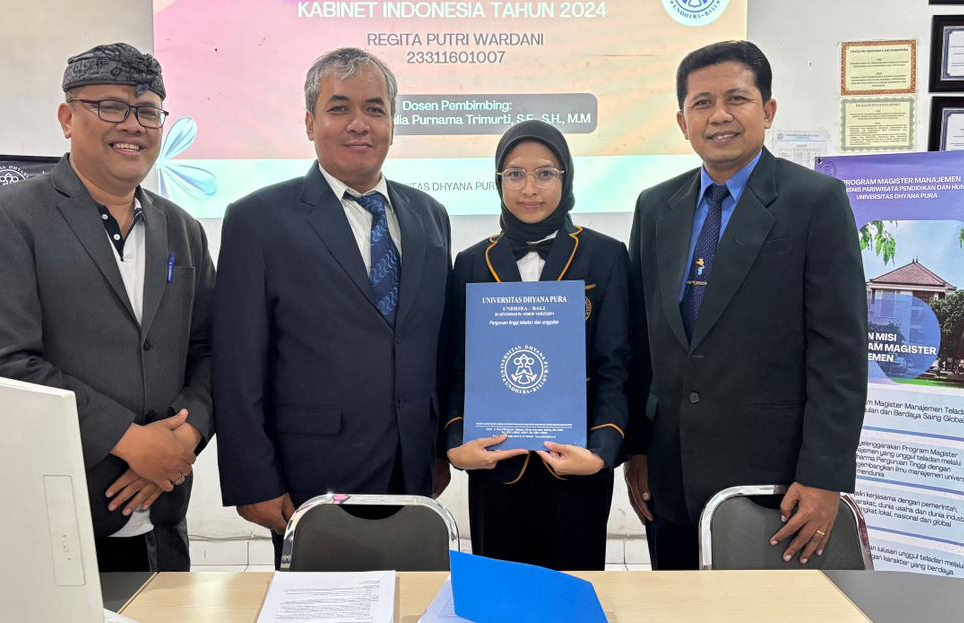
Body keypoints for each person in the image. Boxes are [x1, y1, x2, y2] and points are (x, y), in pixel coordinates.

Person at [0, 43, 214, 571]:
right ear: (67, 118)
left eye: (148, 112)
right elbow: (2, 363)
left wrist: (180, 440)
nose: (133, 125)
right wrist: (129, 441)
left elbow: (211, 349)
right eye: (111, 107)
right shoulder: (5, 218)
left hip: (162, 509)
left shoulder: (182, 229)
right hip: (53, 516)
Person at [625, 40, 867, 569]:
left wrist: (823, 475)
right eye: (702, 103)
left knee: (763, 620)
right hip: (670, 474)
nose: (719, 116)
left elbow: (840, 352)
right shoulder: (655, 207)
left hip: (775, 481)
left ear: (768, 110)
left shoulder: (816, 202)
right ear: (683, 122)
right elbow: (643, 342)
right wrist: (637, 448)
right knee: (676, 611)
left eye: (736, 98)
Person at [213, 47, 452, 558]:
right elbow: (237, 365)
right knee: (320, 609)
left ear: (392, 124)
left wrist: (437, 450)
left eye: (374, 109)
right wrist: (253, 479)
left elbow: (433, 345)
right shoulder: (258, 220)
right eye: (339, 108)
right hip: (309, 479)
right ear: (309, 122)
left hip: (413, 472)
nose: (359, 124)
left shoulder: (430, 216)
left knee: (412, 601)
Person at [443, 120, 630, 571]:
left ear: (566, 178)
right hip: (495, 468)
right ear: (498, 181)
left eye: (545, 173)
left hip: (577, 467)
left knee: (573, 591)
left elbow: (616, 365)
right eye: (515, 174)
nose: (530, 188)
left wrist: (601, 452)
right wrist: (455, 441)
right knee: (500, 595)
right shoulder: (472, 262)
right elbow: (455, 366)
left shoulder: (605, 255)